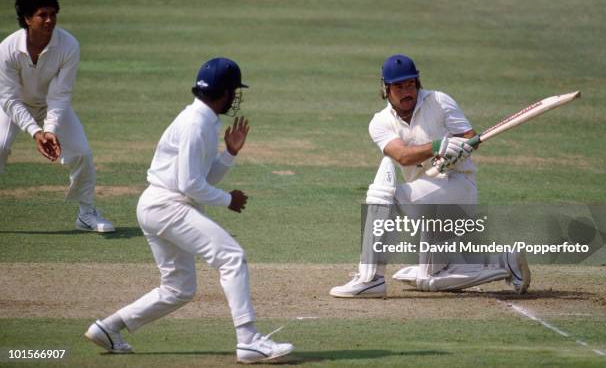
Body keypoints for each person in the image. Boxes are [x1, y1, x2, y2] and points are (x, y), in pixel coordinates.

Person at [84, 57, 294, 364]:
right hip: (168, 205)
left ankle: (109, 327)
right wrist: (227, 200)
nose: (234, 98)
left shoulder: (203, 120)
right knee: (231, 257)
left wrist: (230, 153)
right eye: (233, 91)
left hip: (159, 205)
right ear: (224, 93)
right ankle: (248, 341)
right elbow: (190, 185)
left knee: (178, 289)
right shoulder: (197, 124)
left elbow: (202, 177)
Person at [329, 54, 531, 298]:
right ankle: (505, 263)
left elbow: (470, 137)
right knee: (428, 277)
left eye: (411, 84)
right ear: (386, 89)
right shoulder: (379, 123)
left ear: (418, 83)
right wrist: (438, 147)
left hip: (457, 188)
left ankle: (371, 278)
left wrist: (457, 150)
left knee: (385, 199)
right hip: (426, 197)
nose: (407, 92)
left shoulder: (439, 101)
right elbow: (402, 156)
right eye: (399, 87)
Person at [0, 0, 114, 232]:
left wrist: (48, 129)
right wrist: (35, 132)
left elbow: (60, 95)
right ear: (27, 19)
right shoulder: (7, 49)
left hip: (51, 108)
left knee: (82, 153)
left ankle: (86, 213)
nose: (49, 20)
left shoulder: (69, 45)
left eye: (53, 14)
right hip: (12, 106)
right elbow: (8, 98)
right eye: (42, 15)